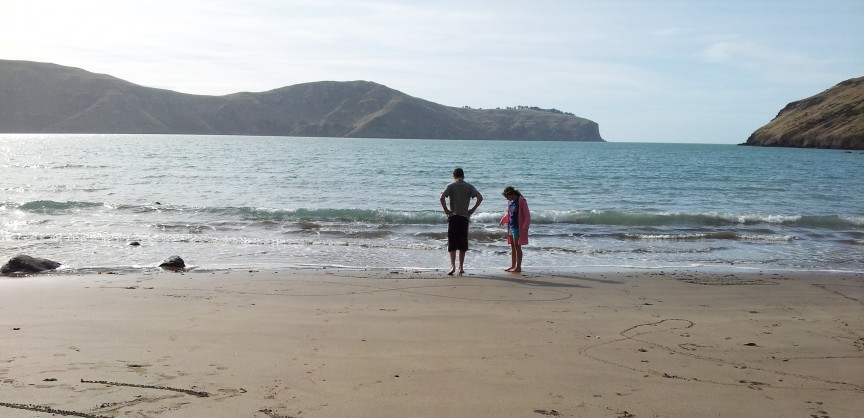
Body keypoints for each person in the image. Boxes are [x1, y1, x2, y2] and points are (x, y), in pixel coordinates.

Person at [440, 167, 483, 275]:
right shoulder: (469, 186)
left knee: (452, 242)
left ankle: (452, 266)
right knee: (463, 242)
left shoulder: (451, 186)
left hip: (453, 216)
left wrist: (447, 211)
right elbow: (480, 197)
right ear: (463, 175)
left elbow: (442, 197)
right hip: (464, 217)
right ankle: (461, 267)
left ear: (454, 176)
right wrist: (472, 210)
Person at [498, 186, 530, 272]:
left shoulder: (521, 201)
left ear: (512, 194)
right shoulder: (510, 202)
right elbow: (510, 214)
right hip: (511, 226)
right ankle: (513, 265)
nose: (507, 199)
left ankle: (518, 267)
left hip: (518, 227)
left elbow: (527, 215)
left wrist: (526, 225)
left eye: (507, 197)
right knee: (512, 247)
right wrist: (503, 220)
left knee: (517, 246)